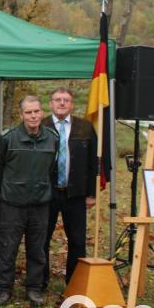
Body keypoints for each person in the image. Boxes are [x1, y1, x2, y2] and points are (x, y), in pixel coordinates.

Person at [0, 95, 58, 307]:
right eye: (28, 112)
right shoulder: (8, 138)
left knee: (37, 249)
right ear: (21, 115)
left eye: (36, 111)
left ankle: (34, 288)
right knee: (8, 248)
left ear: (42, 112)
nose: (33, 116)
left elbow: (53, 169)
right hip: (12, 204)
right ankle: (3, 288)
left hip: (40, 204)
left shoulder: (52, 138)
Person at [41, 87, 97, 290]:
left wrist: (91, 193)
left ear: (72, 104)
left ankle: (74, 282)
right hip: (47, 192)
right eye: (58, 99)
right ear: (51, 103)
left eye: (66, 100)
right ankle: (41, 281)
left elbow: (93, 163)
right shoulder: (41, 125)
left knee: (77, 240)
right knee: (42, 238)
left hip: (75, 193)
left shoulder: (85, 127)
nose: (62, 103)